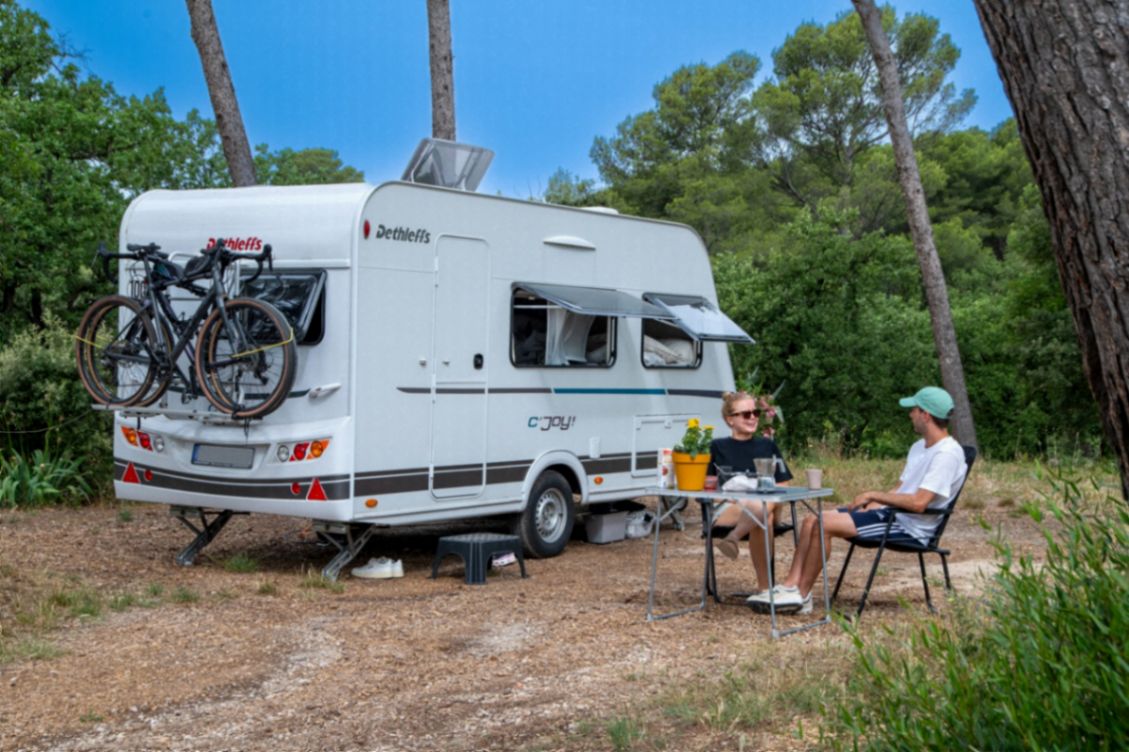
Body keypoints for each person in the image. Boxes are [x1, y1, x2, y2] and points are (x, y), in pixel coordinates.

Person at [748, 386, 968, 613]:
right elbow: (902, 488)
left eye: (913, 410)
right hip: (890, 515)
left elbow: (919, 503)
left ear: (926, 415)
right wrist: (874, 504)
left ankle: (802, 597)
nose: (910, 414)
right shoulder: (919, 447)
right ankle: (789, 586)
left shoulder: (947, 454)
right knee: (811, 520)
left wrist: (873, 494)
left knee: (823, 525)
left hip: (910, 527)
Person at [708, 390, 793, 599]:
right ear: (730, 420)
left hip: (769, 502)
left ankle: (733, 537)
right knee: (765, 516)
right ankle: (765, 589)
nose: (753, 417)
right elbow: (707, 488)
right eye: (746, 414)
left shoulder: (767, 445)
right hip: (733, 507)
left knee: (766, 506)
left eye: (755, 413)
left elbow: (783, 484)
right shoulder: (717, 446)